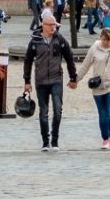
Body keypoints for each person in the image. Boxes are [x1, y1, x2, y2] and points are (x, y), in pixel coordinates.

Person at [22, 15, 77, 151]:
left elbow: (69, 58)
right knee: (44, 111)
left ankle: (55, 140)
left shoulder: (60, 40)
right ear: (44, 25)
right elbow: (28, 61)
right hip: (40, 81)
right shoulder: (35, 41)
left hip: (56, 79)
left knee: (58, 110)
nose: (54, 27)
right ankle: (45, 142)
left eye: (55, 25)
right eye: (51, 25)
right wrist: (27, 81)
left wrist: (73, 77)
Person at [76, 24, 110, 149]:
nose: (105, 42)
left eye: (108, 40)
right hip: (97, 87)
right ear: (100, 38)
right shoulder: (94, 48)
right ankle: (105, 139)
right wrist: (76, 79)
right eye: (103, 39)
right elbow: (85, 65)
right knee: (102, 114)